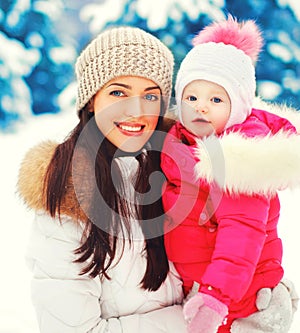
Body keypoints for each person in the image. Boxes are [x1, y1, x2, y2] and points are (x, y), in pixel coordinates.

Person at [17, 25, 297, 333]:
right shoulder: (66, 201)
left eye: (150, 95)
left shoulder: (178, 167)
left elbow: (237, 235)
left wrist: (260, 285)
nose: (135, 110)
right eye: (118, 92)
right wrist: (210, 320)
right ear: (90, 101)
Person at [161, 16, 300, 333]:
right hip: (198, 290)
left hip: (238, 304)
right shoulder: (178, 145)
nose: (201, 108)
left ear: (237, 107)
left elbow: (242, 236)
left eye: (216, 99)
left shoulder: (240, 160)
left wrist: (214, 299)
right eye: (191, 97)